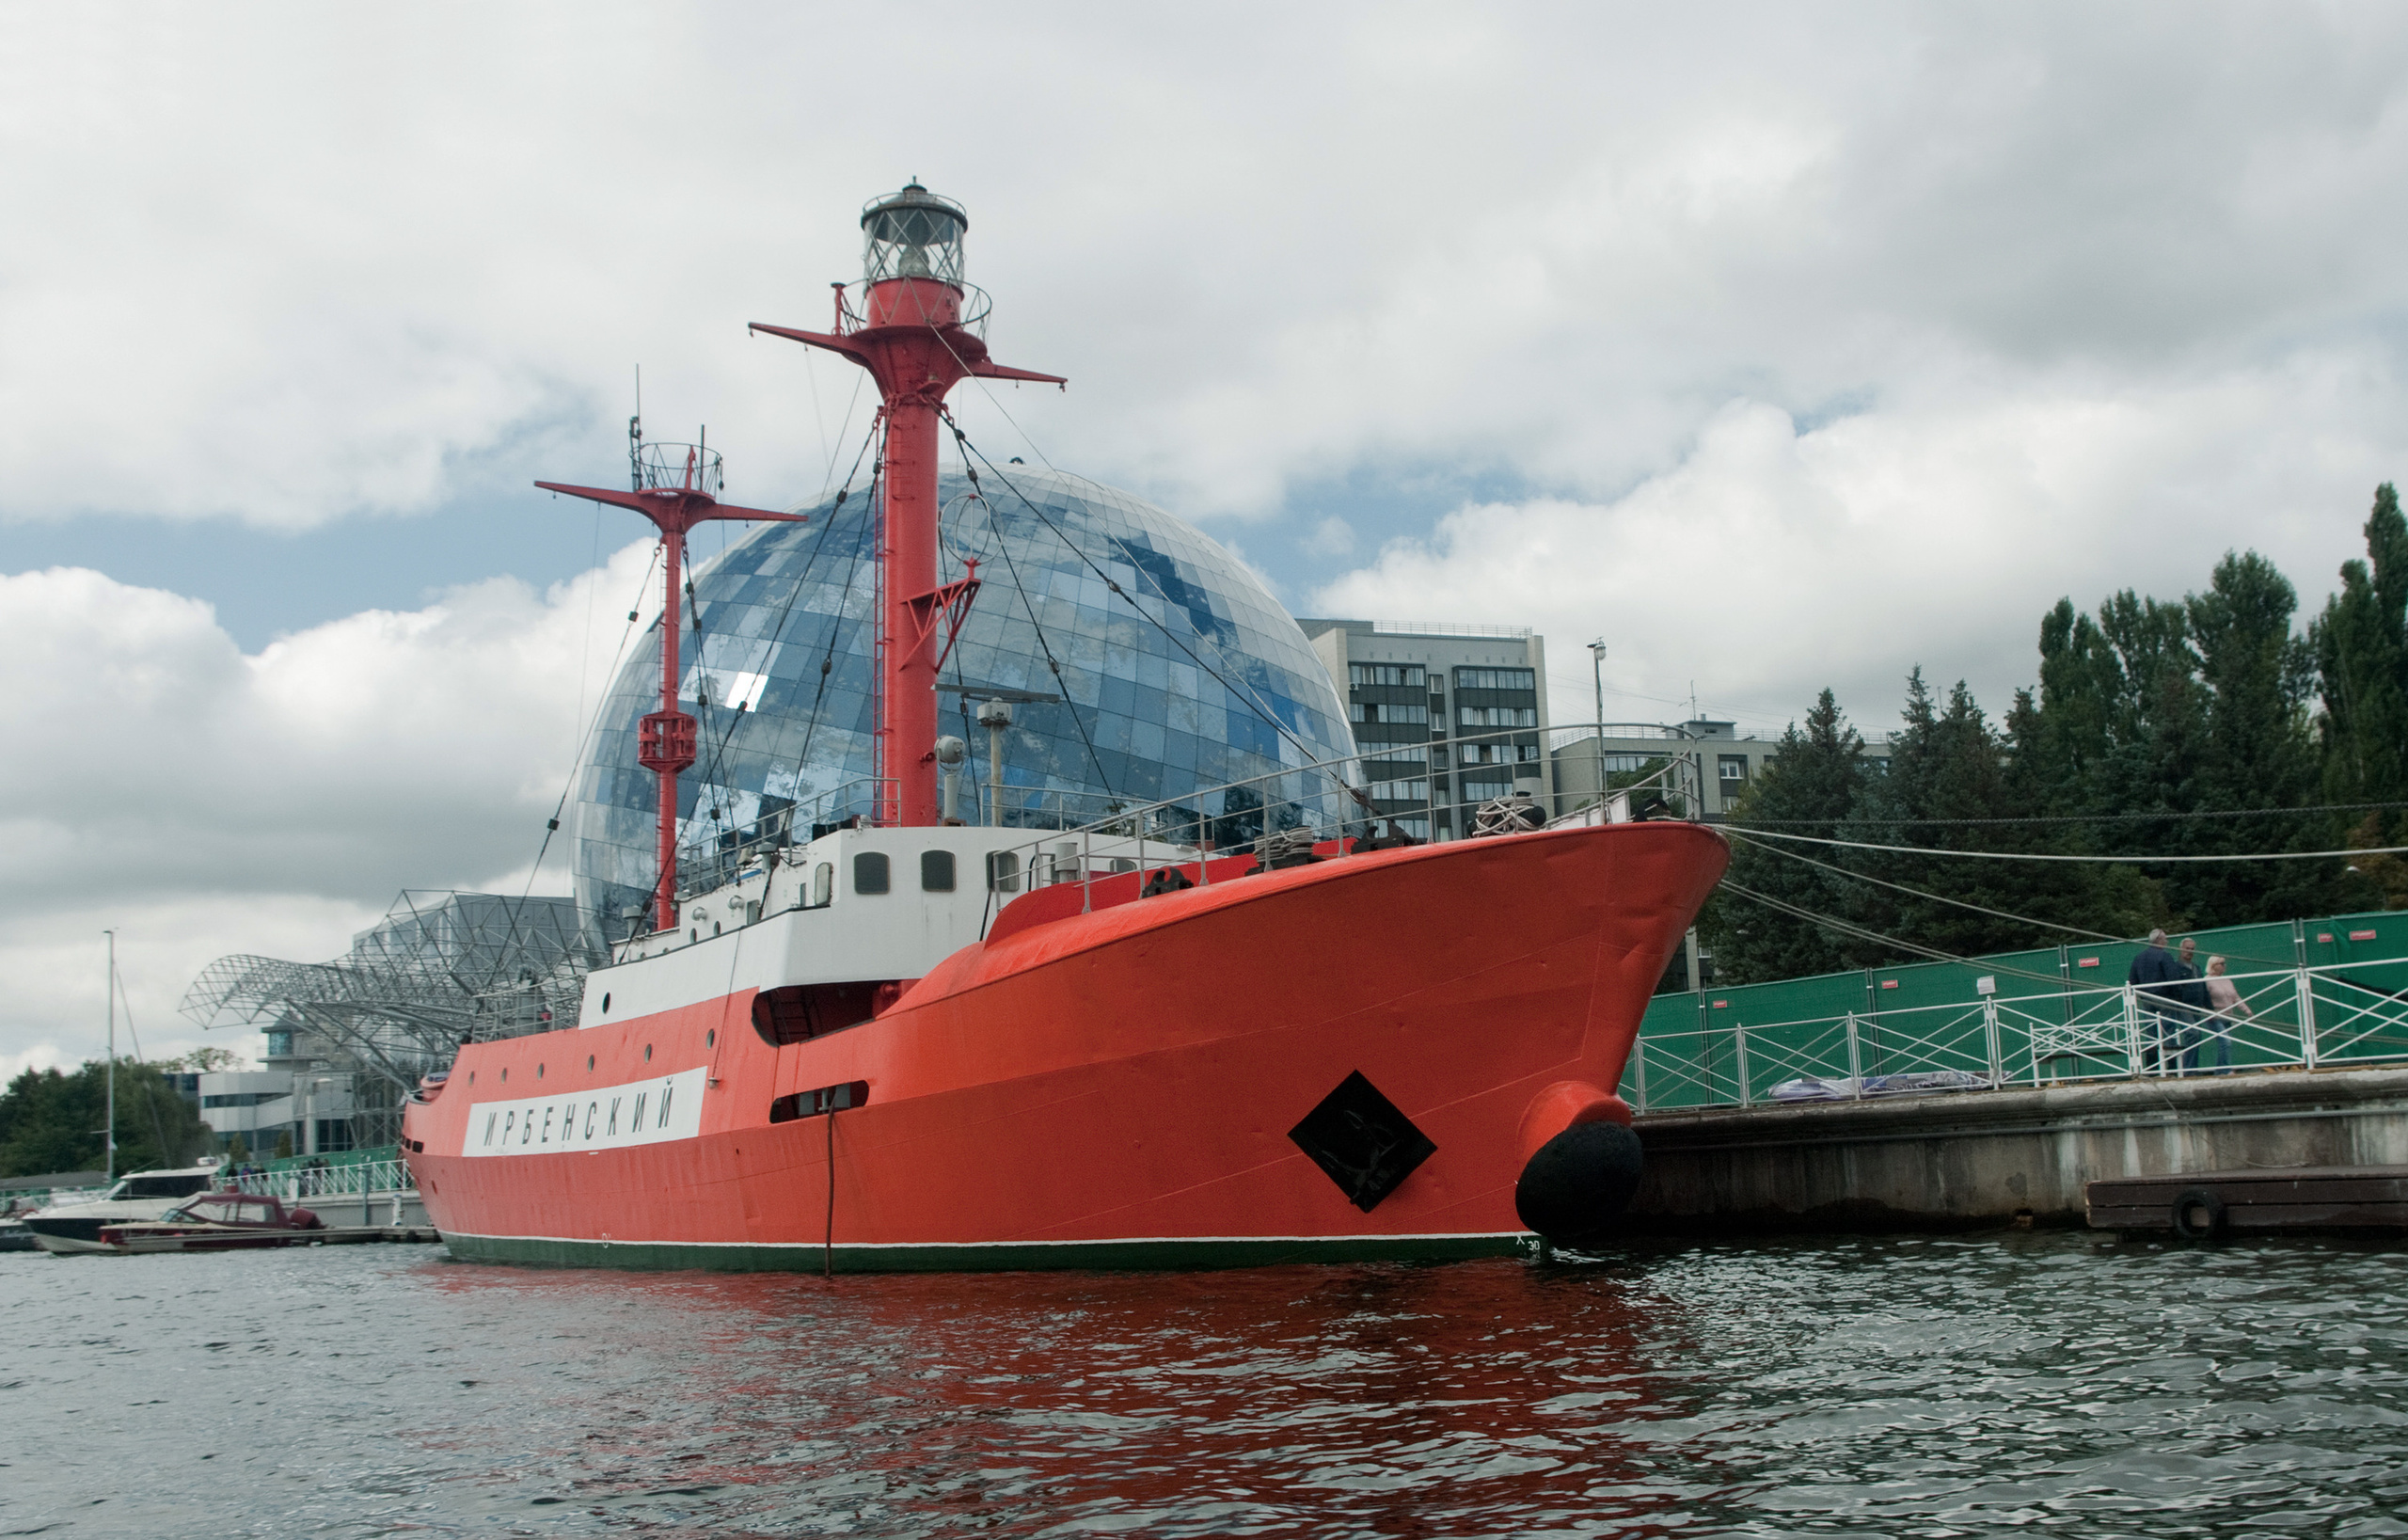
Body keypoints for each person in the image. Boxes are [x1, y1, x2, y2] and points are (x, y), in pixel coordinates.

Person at [2126, 929, 2187, 1072]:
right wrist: (2177, 996)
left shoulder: (2139, 957)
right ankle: (2172, 1068)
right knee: (2168, 1032)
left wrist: (2142, 995)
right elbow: (2173, 978)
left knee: (2151, 1034)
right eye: (2165, 939)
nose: (2167, 942)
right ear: (2159, 940)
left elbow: (2132, 980)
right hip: (2164, 998)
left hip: (2147, 1000)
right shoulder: (2165, 956)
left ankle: (2152, 1068)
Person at [2195, 956, 2249, 1074]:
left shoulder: (2227, 980)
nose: (2224, 966)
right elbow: (2203, 998)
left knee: (2225, 1043)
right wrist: (2208, 1013)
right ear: (2213, 966)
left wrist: (2246, 1010)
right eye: (2221, 963)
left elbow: (2235, 997)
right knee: (2225, 1042)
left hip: (2228, 1016)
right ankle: (2225, 1069)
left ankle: (2220, 1071)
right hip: (2214, 1017)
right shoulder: (2206, 981)